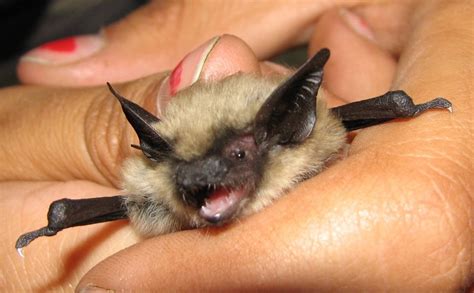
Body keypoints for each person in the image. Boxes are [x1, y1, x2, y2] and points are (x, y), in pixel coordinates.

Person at [0, 0, 472, 291]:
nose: (199, 180)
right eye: (187, 170)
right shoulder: (159, 191)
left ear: (288, 125)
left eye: (236, 156)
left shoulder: (313, 138)